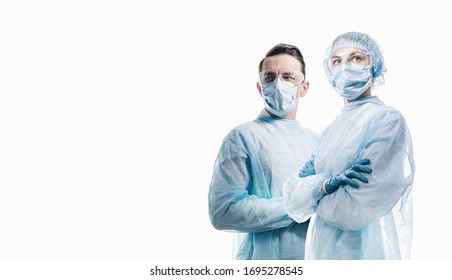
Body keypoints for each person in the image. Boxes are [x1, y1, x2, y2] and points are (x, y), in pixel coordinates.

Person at [283, 31, 415, 260]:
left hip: (364, 250)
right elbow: (292, 199)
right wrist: (325, 187)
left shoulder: (387, 120)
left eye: (356, 58)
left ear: (374, 65)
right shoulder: (330, 131)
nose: (345, 67)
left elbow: (352, 210)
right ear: (330, 72)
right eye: (337, 61)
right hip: (319, 250)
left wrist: (313, 194)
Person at [208, 43, 319, 260]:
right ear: (260, 87)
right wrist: (298, 206)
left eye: (288, 76)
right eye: (269, 77)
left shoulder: (317, 141)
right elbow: (223, 212)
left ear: (304, 87)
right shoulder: (243, 137)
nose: (278, 84)